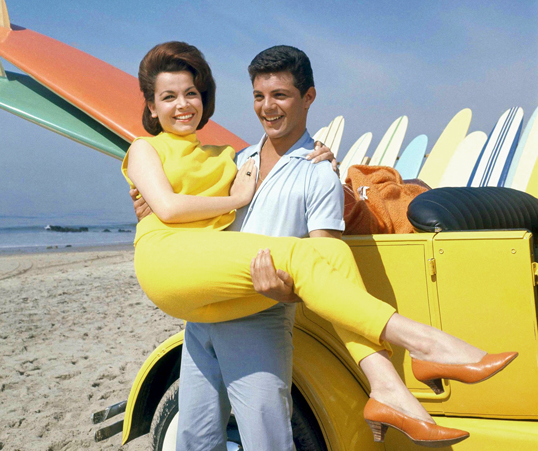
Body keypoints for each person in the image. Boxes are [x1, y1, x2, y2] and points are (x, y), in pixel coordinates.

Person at [122, 41, 517, 448]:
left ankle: (408, 360)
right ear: (152, 106)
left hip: (258, 313)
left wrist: (285, 291)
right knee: (193, 436)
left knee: (267, 437)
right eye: (259, 96)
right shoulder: (240, 161)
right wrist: (147, 204)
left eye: (280, 96)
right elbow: (183, 203)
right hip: (206, 305)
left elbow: (325, 264)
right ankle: (403, 364)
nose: (268, 107)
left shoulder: (318, 172)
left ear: (308, 97)